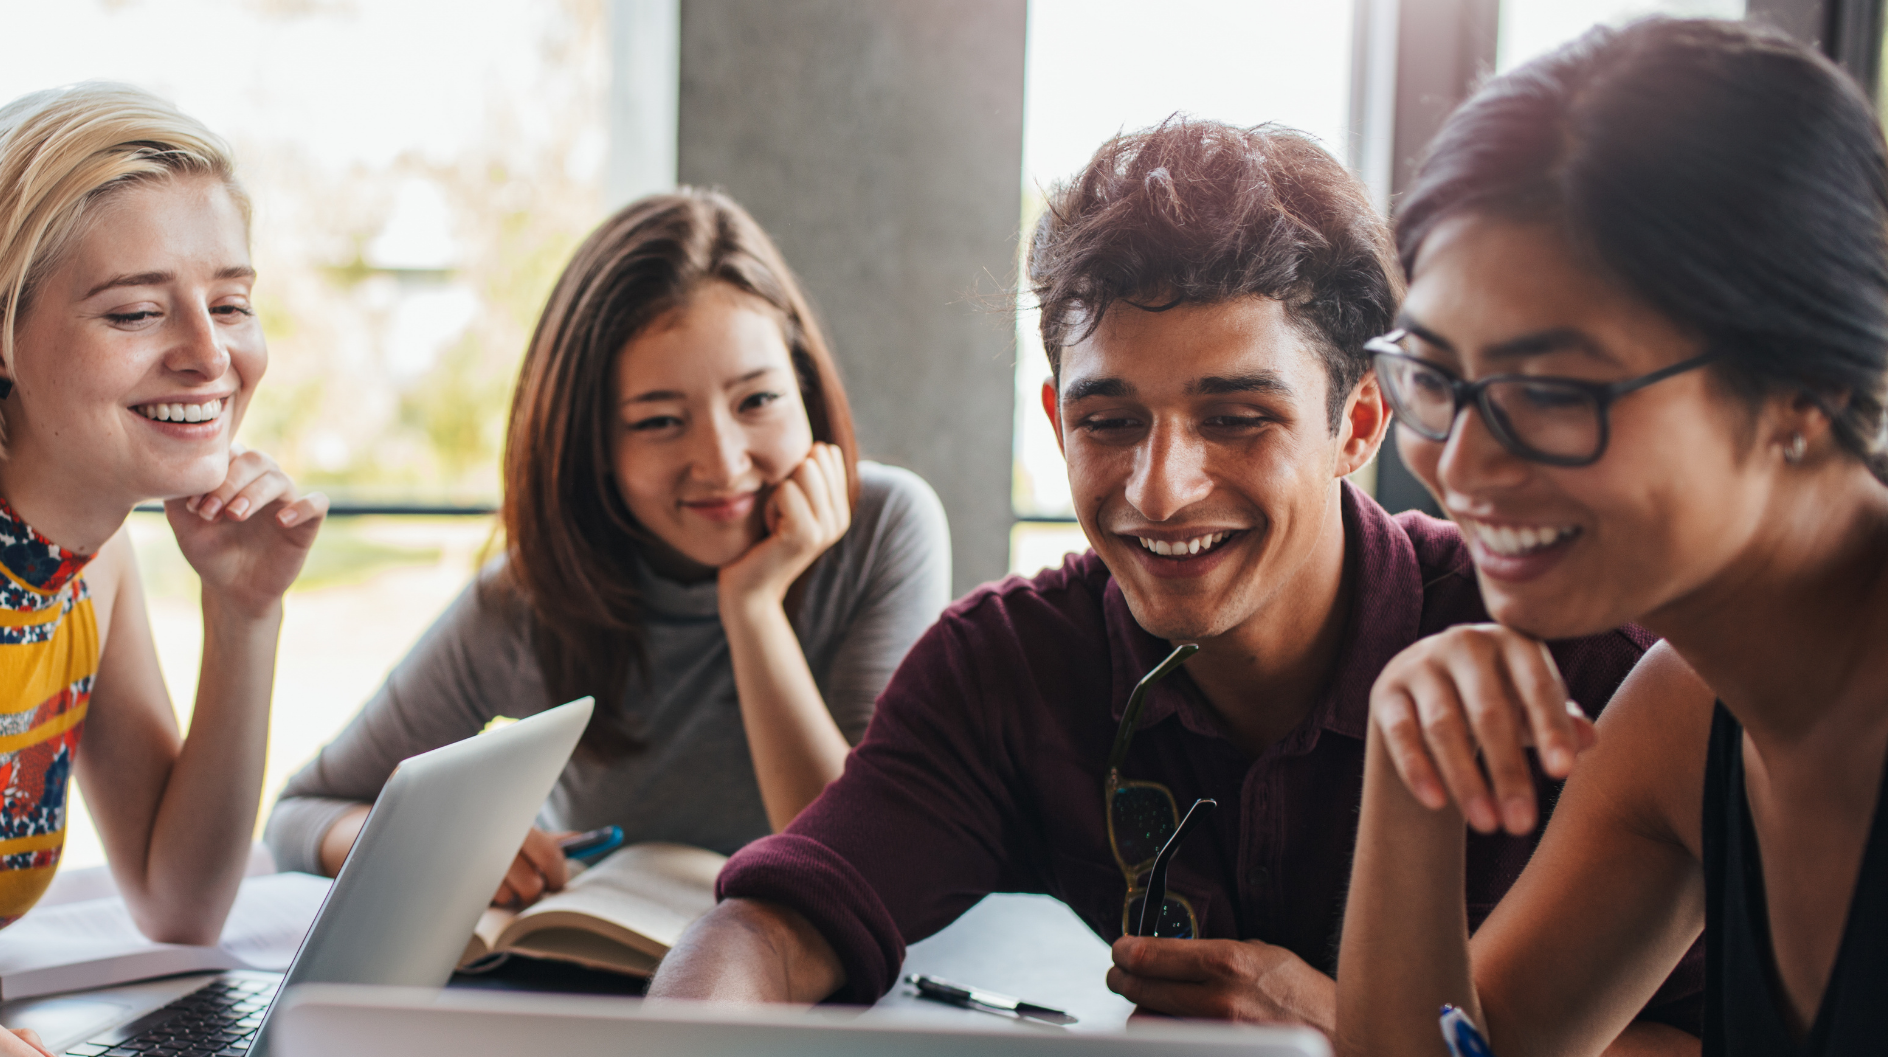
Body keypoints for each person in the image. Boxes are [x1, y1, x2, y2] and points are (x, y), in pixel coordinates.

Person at [647, 118, 1698, 1049]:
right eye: (1108, 423)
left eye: (1236, 418)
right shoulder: (1005, 662)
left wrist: (1354, 1029)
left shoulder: (1574, 660)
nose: (1159, 488)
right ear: (1057, 424)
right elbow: (770, 930)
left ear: (1357, 424)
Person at [1336, 18, 1888, 1056]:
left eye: (1547, 391)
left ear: (1805, 387)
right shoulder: (1686, 715)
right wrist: (1409, 786)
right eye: (1437, 380)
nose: (1458, 465)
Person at [0, 84, 326, 1054]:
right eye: (135, 312)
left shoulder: (91, 563)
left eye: (230, 303)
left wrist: (244, 609)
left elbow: (180, 900)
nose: (209, 354)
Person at [264, 189, 951, 907]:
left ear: (805, 389)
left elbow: (852, 860)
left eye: (757, 401)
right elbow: (300, 816)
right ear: (594, 443)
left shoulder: (885, 528)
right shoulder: (531, 600)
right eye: (659, 420)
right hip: (596, 992)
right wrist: (442, 850)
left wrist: (752, 606)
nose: (720, 463)